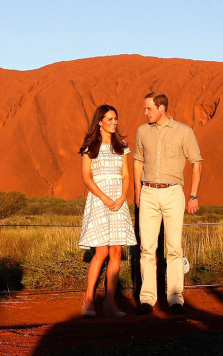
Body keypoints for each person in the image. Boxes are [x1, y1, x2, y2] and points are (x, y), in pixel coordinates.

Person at [134, 92, 202, 316]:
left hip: (173, 192)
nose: (145, 113)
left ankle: (175, 298)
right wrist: (137, 192)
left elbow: (196, 162)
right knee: (147, 248)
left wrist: (193, 196)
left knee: (174, 248)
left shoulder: (184, 131)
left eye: (149, 109)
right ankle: (147, 298)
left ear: (161, 107)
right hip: (149, 192)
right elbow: (138, 161)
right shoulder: (142, 131)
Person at [78, 105, 137, 317]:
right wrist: (104, 198)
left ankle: (110, 303)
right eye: (109, 119)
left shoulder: (122, 146)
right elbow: (86, 177)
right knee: (101, 251)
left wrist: (122, 197)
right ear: (100, 122)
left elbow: (126, 175)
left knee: (117, 251)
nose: (114, 122)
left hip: (118, 202)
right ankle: (89, 300)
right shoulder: (89, 147)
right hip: (99, 200)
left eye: (115, 119)